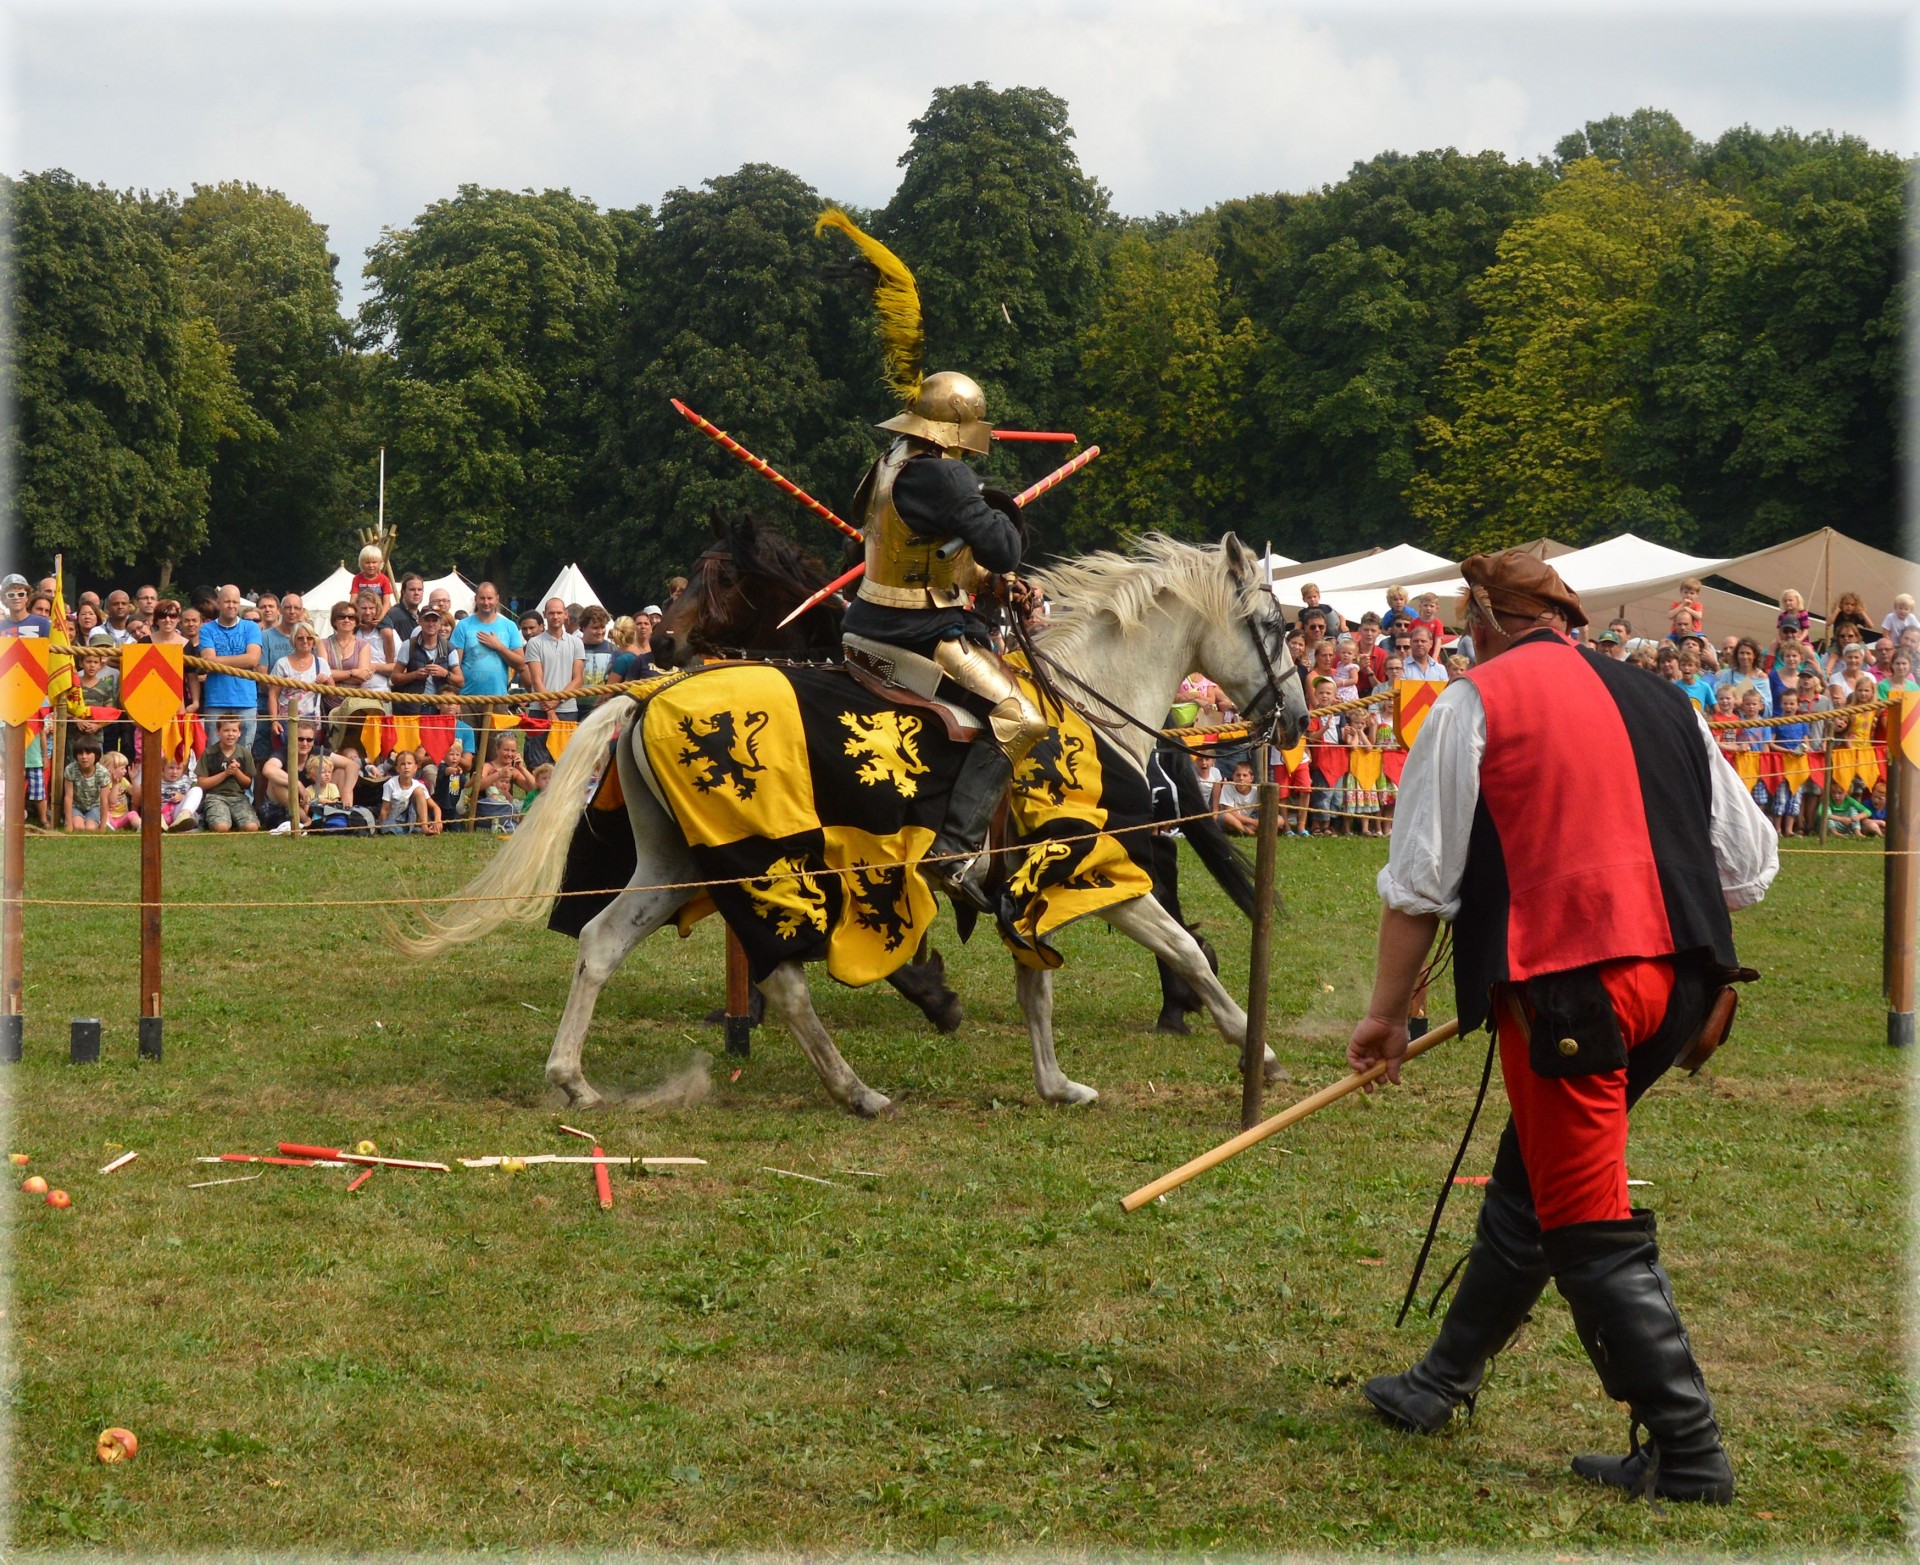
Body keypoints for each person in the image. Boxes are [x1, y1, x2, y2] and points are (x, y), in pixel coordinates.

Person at [1350, 549, 1776, 1505]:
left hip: (1576, 997)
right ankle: (1440, 1380)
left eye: (1468, 621)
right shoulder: (1667, 699)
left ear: (1487, 619)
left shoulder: (1474, 701)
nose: (1466, 636)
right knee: (1532, 1176)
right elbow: (1750, 865)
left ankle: (1690, 1452)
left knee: (1585, 1218)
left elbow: (1421, 885)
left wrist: (1383, 1017)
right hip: (1683, 990)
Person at [826, 216, 1040, 913]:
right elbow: (1004, 547)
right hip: (915, 631)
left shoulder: (889, 460)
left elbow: (931, 553)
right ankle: (956, 846)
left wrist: (978, 566)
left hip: (870, 614)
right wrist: (999, 508)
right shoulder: (945, 477)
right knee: (1020, 715)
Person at [198, 584, 264, 751]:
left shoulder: (251, 627)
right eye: (227, 601)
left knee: (244, 753)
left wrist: (216, 661)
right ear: (218, 603)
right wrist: (241, 659)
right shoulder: (206, 629)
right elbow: (207, 660)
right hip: (216, 701)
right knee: (214, 753)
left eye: (235, 602)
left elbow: (253, 659)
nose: (231, 605)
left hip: (246, 701)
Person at [197, 716, 260, 833]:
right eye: (226, 730)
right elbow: (202, 783)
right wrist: (225, 774)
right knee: (222, 827)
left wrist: (237, 772)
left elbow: (247, 784)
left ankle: (234, 819)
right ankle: (210, 818)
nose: (230, 734)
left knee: (251, 827)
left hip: (238, 797)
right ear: (218, 732)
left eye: (234, 730)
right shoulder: (209, 753)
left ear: (240, 733)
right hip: (215, 797)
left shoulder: (244, 753)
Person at [378, 748, 440, 835]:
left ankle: (424, 827)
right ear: (397, 768)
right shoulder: (390, 784)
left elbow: (435, 807)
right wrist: (383, 828)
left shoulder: (418, 786)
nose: (406, 767)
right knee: (388, 826)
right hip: (393, 821)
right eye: (403, 764)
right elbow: (385, 809)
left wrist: (437, 820)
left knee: (418, 791)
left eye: (409, 763)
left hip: (410, 820)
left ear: (415, 767)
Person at [64, 733, 108, 830]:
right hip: (76, 806)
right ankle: (74, 820)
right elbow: (68, 797)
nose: (84, 757)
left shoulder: (103, 772)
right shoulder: (70, 769)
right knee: (78, 827)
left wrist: (103, 825)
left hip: (94, 807)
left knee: (90, 828)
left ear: (96, 755)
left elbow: (104, 800)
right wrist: (69, 825)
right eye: (80, 753)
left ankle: (92, 821)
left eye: (88, 753)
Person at [1212, 760, 1259, 836]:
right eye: (1238, 775)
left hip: (1250, 820)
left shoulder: (1257, 790)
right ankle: (1249, 832)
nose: (1241, 778)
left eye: (1245, 775)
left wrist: (1255, 821)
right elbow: (1229, 811)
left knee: (1280, 820)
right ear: (1233, 777)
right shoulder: (1228, 786)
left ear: (1251, 778)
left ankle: (1243, 830)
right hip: (1234, 820)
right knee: (1225, 816)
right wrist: (1253, 821)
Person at [100, 750, 139, 831]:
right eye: (122, 768)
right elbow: (111, 802)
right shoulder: (104, 783)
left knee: (132, 814)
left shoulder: (123, 781)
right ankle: (108, 827)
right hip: (109, 817)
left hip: (122, 817)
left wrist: (134, 779)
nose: (125, 771)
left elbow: (134, 793)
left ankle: (140, 826)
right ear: (111, 770)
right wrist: (115, 784)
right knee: (104, 814)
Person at [351, 544, 396, 614]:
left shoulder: (384, 579)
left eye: (374, 562)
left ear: (380, 563)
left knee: (388, 624)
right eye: (367, 562)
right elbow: (353, 600)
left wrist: (380, 617)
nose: (371, 565)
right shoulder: (357, 579)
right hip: (362, 613)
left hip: (380, 613)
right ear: (361, 563)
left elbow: (387, 602)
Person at [383, 573, 426, 640]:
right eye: (412, 589)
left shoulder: (421, 616)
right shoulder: (394, 614)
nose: (416, 593)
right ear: (403, 592)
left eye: (419, 589)